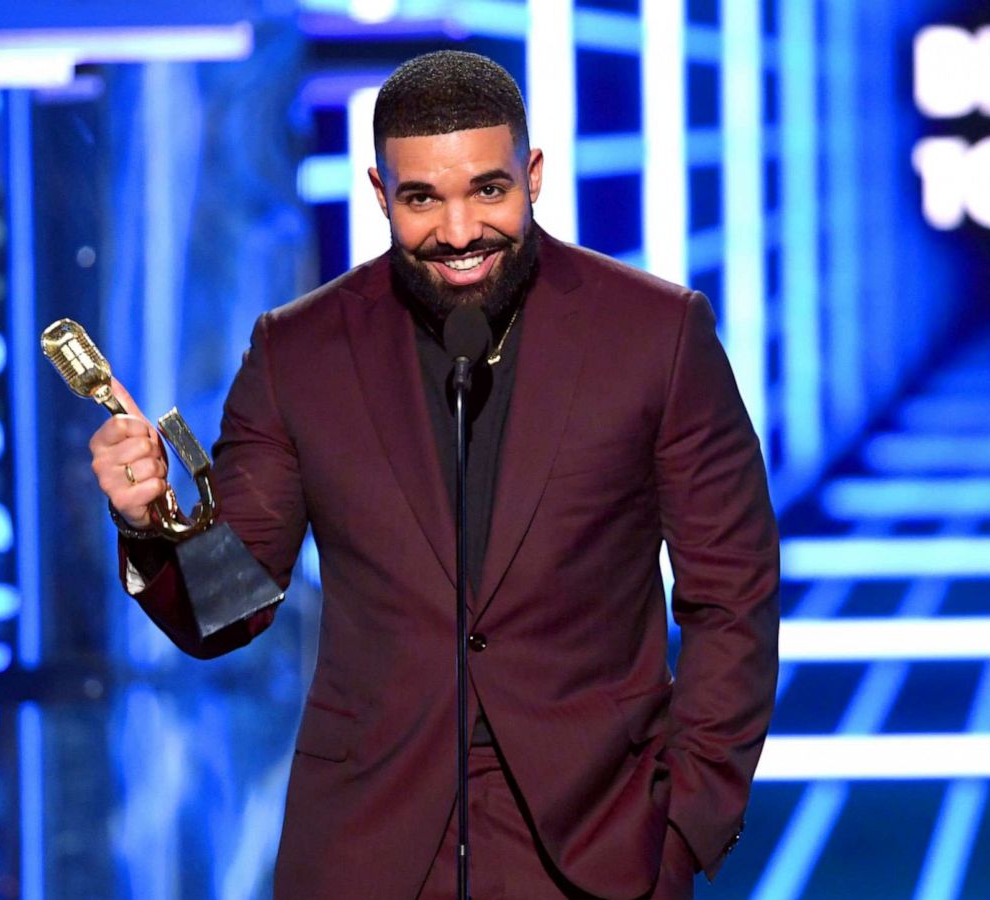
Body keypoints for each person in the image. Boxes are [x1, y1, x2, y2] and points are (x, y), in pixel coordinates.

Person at [88, 50, 778, 900]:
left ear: (532, 174)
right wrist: (147, 518)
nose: (459, 232)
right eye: (423, 199)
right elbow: (230, 607)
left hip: (598, 851)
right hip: (368, 852)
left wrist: (684, 828)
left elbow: (734, 598)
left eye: (488, 190)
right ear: (381, 194)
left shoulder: (656, 336)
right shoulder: (300, 352)